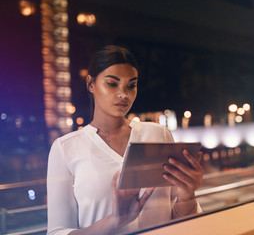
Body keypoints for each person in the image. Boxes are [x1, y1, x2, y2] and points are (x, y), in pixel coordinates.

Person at [46, 45, 204, 235]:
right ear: (90, 84)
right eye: (112, 84)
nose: (124, 94)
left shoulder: (158, 135)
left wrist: (187, 196)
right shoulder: (66, 148)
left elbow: (178, 224)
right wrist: (115, 221)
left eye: (131, 85)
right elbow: (57, 232)